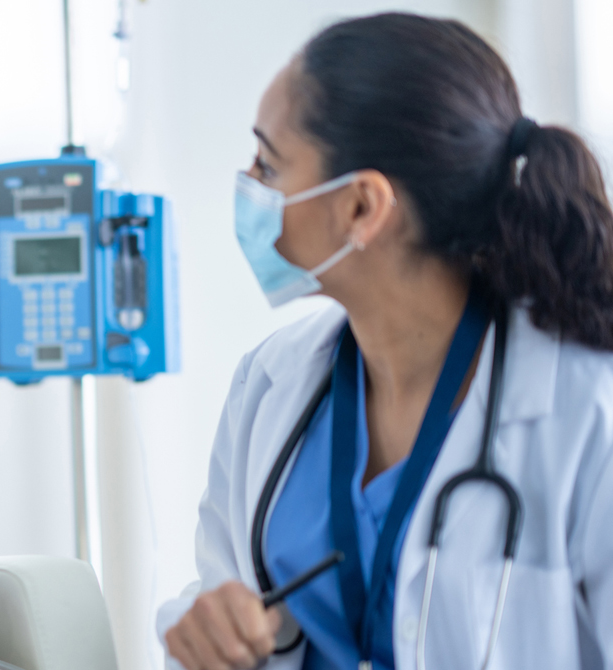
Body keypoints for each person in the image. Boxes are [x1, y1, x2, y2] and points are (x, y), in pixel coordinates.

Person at [156, 12, 613, 670]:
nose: (249, 187)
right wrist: (206, 629)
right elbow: (224, 599)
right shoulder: (271, 384)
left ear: (363, 207)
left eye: (269, 163)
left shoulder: (584, 412)